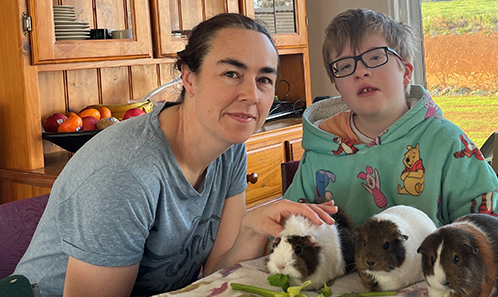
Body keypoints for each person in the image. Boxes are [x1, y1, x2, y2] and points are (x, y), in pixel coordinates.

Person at [13, 13, 337, 297]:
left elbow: (215, 273)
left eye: (264, 79)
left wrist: (251, 228)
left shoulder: (229, 146)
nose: (252, 95)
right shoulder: (125, 174)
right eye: (231, 74)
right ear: (188, 76)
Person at [283, 8, 498, 249]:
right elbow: (285, 234)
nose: (361, 71)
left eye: (376, 57)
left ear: (406, 72)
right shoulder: (318, 152)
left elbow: (497, 239)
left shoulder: (448, 143)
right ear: (338, 87)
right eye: (345, 66)